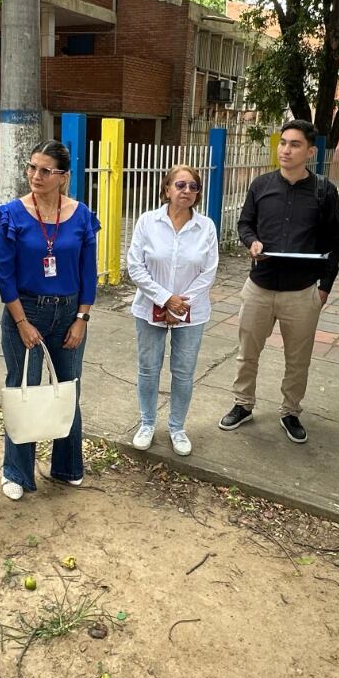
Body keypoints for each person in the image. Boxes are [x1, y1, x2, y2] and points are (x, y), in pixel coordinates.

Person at [219, 119, 339, 444]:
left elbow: (334, 243)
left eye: (295, 144)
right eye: (283, 142)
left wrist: (324, 289)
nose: (286, 150)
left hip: (302, 293)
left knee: (297, 359)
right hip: (258, 287)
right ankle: (242, 404)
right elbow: (245, 224)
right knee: (247, 352)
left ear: (311, 152)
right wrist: (252, 243)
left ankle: (290, 411)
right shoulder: (261, 185)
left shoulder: (324, 192)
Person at [0, 140, 99, 501]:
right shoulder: (11, 214)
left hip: (69, 312)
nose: (36, 176)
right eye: (32, 167)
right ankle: (16, 471)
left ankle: (67, 465)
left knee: (68, 387)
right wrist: (22, 322)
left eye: (45, 170)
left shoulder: (81, 215)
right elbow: (4, 274)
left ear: (63, 177)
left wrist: (82, 317)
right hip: (26, 311)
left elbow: (88, 271)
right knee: (24, 387)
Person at [125, 163, 219, 457]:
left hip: (192, 311)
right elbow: (135, 266)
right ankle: (147, 423)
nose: (187, 191)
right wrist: (165, 298)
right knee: (149, 369)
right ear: (167, 189)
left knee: (183, 372)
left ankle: (177, 427)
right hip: (149, 307)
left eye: (193, 187)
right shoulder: (147, 222)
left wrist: (179, 304)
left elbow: (209, 271)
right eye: (180, 185)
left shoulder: (206, 227)